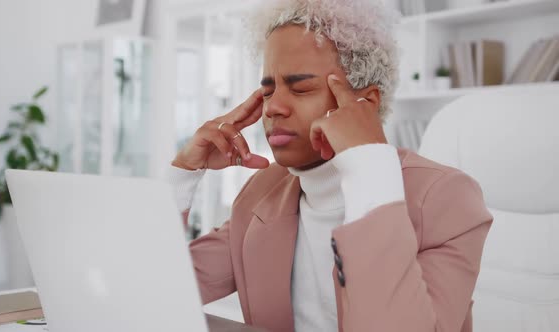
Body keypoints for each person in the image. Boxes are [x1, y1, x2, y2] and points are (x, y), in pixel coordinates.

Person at [168, 0, 493, 331]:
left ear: (365, 104)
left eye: (301, 88)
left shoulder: (446, 199)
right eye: (268, 91)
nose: (273, 107)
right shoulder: (263, 192)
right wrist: (183, 172)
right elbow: (161, 288)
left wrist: (367, 161)